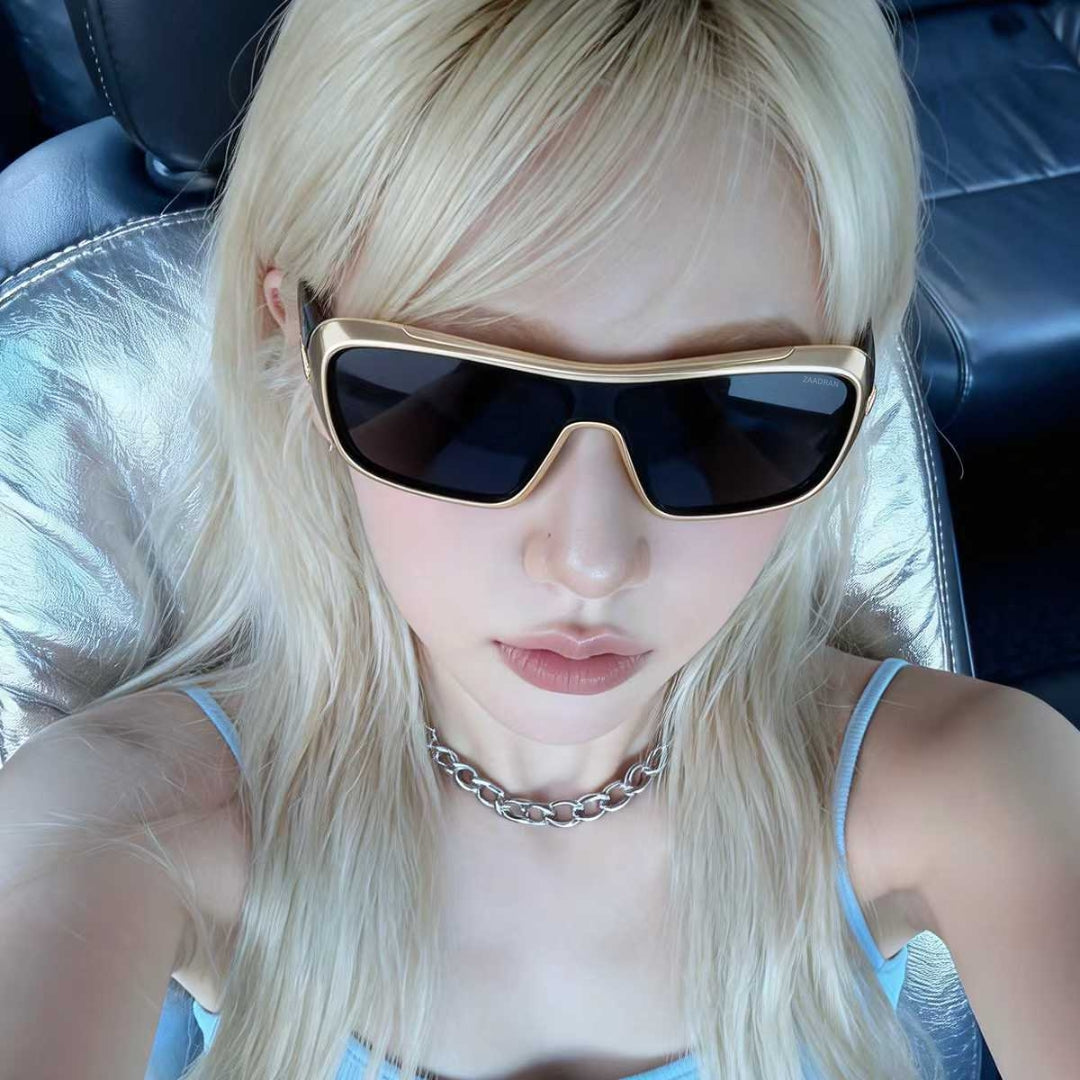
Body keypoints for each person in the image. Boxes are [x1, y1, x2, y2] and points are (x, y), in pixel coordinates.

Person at [5, 2, 1078, 1079]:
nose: (591, 559)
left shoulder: (983, 789)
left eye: (730, 417)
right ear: (291, 337)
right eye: (464, 402)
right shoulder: (109, 823)